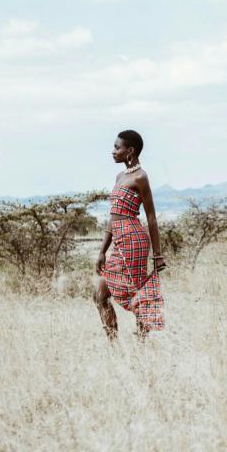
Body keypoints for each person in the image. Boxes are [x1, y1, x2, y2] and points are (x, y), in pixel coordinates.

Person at [93, 129, 166, 340]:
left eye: (117, 147)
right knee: (99, 294)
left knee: (137, 294)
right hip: (119, 240)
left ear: (130, 151)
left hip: (134, 240)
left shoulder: (141, 177)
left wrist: (158, 254)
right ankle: (114, 346)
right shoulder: (120, 176)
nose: (113, 151)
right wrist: (102, 251)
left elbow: (151, 217)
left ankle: (141, 345)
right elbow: (113, 215)